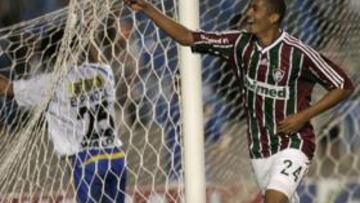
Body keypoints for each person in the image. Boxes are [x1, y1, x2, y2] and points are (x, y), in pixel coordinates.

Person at [124, 0, 354, 202]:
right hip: (260, 149)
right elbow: (187, 37)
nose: (249, 13)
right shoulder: (238, 43)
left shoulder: (298, 53)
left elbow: (343, 85)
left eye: (255, 8)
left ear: (273, 17)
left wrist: (303, 116)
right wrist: (147, 8)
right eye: (248, 7)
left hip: (294, 144)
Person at [0, 36, 127, 202]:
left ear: (53, 57)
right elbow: (99, 60)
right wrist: (87, 35)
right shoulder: (103, 73)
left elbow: (8, 89)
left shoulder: (52, 82)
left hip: (87, 160)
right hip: (116, 157)